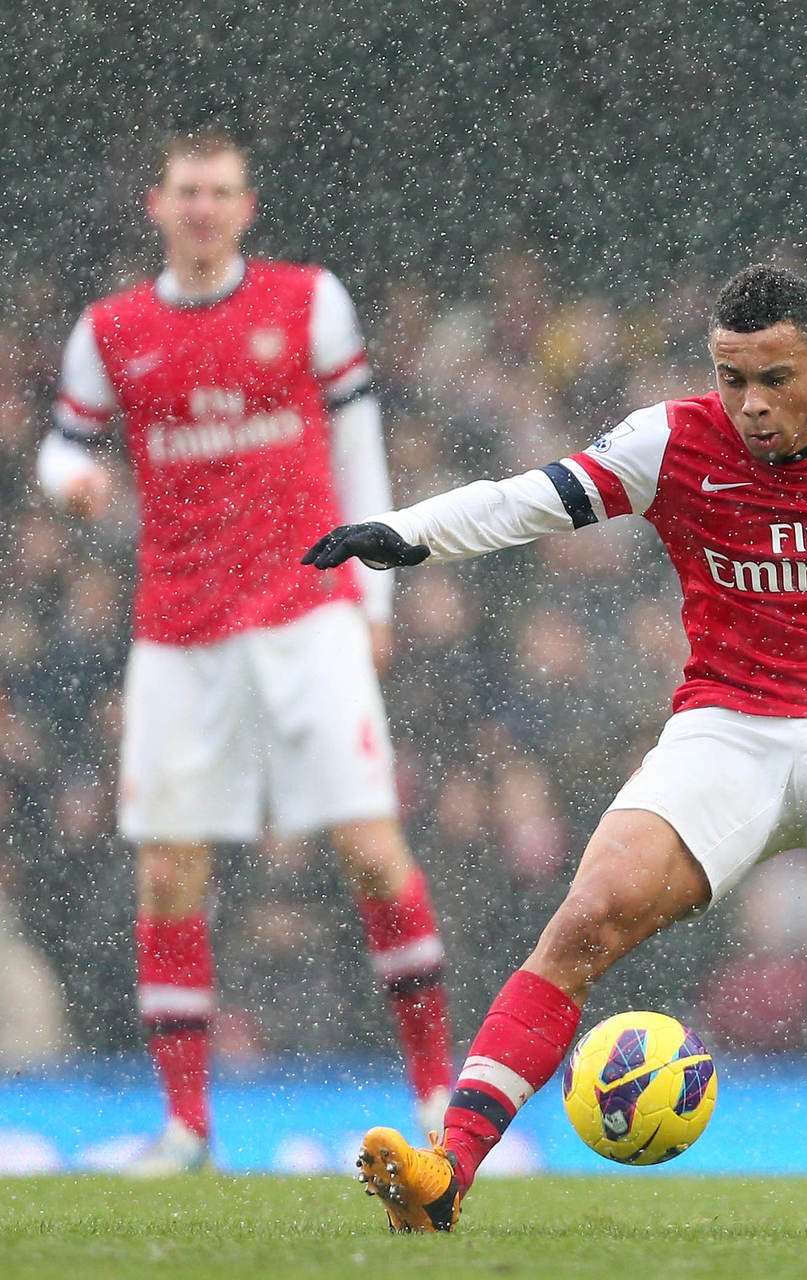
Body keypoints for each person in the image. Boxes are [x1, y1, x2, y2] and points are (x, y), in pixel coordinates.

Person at [304, 263, 807, 1232]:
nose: (749, 404)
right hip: (726, 729)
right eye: (730, 377)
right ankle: (447, 1170)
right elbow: (523, 499)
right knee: (587, 918)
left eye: (774, 378)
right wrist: (404, 534)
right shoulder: (667, 439)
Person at [35, 128, 456, 1176]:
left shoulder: (309, 302)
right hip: (179, 635)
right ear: (157, 204)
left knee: (370, 848)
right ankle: (187, 1127)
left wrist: (376, 587)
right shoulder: (111, 329)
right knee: (171, 872)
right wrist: (68, 484)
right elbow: (64, 442)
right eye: (187, 190)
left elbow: (358, 443)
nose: (204, 207)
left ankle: (442, 1100)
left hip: (308, 611)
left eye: (220, 190)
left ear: (246, 205)